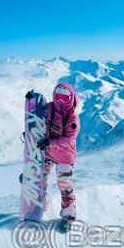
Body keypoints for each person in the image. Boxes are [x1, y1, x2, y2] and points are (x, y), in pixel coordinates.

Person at [37, 83, 80, 231]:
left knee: (65, 185)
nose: (60, 101)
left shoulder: (72, 118)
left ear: (71, 98)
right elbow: (38, 114)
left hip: (65, 157)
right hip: (49, 152)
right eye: (58, 97)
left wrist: (49, 142)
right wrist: (32, 101)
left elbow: (69, 139)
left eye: (64, 98)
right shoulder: (50, 108)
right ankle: (41, 203)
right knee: (40, 177)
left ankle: (68, 216)